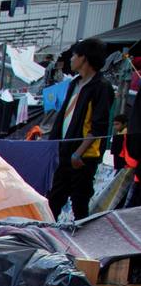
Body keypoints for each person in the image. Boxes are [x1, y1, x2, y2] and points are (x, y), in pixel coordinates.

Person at [47, 38, 114, 221]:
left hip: (83, 158)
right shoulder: (74, 84)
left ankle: (82, 245)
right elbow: (63, 118)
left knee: (79, 204)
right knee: (53, 200)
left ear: (84, 58)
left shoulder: (101, 87)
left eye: (75, 55)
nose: (71, 59)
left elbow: (99, 125)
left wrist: (79, 153)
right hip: (64, 153)